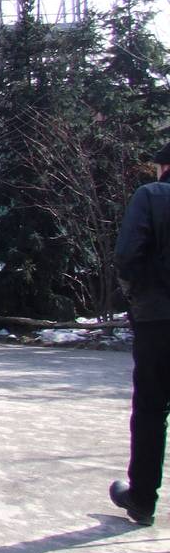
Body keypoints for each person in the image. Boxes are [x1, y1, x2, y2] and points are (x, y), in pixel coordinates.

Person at [110, 143, 170, 527]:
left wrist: (139, 294)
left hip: (159, 318)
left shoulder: (151, 196)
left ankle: (143, 498)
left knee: (150, 409)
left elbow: (128, 255)